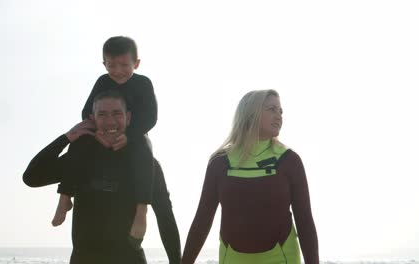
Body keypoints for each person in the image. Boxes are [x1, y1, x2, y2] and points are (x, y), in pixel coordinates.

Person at [23, 91, 181, 263]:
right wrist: (66, 138)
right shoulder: (80, 159)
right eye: (102, 114)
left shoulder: (146, 165)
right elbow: (32, 177)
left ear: (128, 117)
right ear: (92, 119)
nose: (110, 121)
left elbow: (165, 218)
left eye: (117, 113)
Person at [181, 90, 319, 264]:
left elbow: (304, 220)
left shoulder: (289, 161)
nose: (279, 116)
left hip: (282, 258)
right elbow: (202, 219)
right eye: (271, 109)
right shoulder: (220, 163)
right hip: (232, 258)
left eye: (280, 111)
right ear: (250, 114)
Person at [52, 36, 157, 243]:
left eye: (124, 65)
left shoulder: (143, 83)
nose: (118, 71)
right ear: (104, 64)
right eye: (112, 65)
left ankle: (141, 211)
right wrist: (97, 133)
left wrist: (129, 136)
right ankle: (65, 197)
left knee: (145, 149)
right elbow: (87, 112)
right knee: (79, 142)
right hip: (101, 137)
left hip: (133, 136)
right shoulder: (102, 81)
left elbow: (150, 117)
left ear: (136, 63)